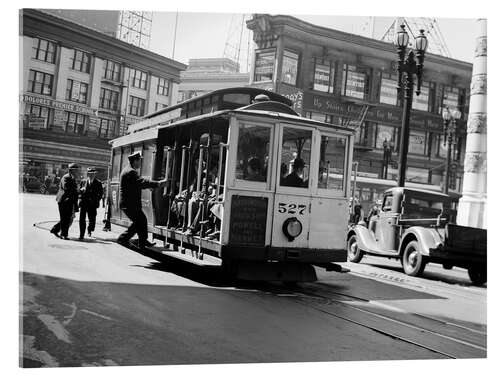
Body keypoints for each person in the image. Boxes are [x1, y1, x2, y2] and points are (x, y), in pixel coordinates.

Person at [117, 151, 167, 250]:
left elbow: (136, 185)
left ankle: (142, 241)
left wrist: (147, 186)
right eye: (139, 161)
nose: (140, 163)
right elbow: (141, 182)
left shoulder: (128, 170)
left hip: (129, 204)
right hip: (129, 204)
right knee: (139, 221)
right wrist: (158, 184)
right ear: (135, 161)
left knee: (141, 220)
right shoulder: (130, 172)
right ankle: (124, 238)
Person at [50, 163, 80, 240]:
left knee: (66, 218)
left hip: (69, 201)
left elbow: (73, 190)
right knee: (65, 218)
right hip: (64, 201)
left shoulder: (72, 178)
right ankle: (64, 234)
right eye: (76, 170)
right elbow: (67, 189)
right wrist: (78, 191)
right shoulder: (66, 177)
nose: (77, 172)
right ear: (71, 170)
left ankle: (55, 229)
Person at [78, 167, 103, 240]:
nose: (91, 175)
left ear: (95, 174)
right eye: (90, 174)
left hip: (93, 205)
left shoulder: (98, 183)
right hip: (84, 203)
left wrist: (96, 200)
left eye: (93, 174)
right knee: (82, 219)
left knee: (92, 220)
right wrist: (81, 190)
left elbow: (101, 194)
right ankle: (81, 234)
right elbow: (79, 192)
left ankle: (90, 229)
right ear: (87, 174)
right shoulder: (83, 181)